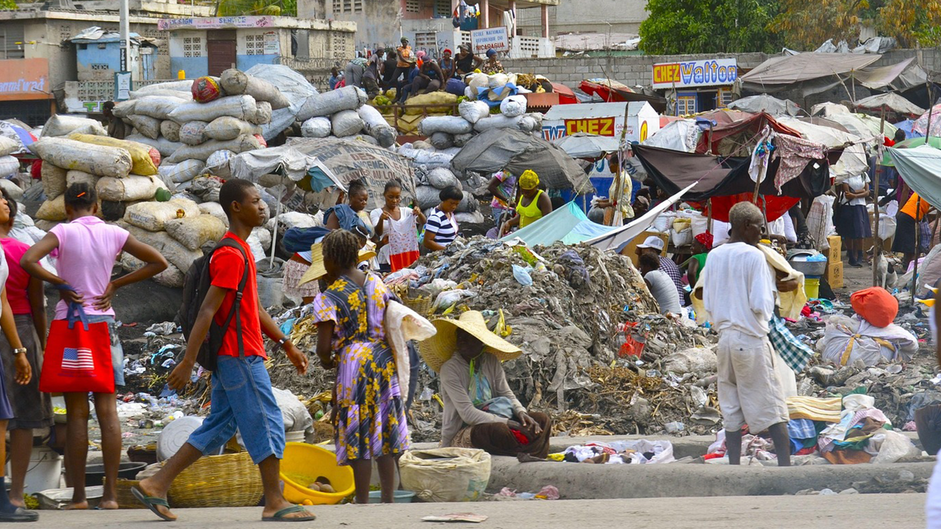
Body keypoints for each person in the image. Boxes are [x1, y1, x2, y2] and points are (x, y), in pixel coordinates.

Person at [135, 179, 311, 522]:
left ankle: (156, 484)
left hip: (239, 353)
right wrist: (188, 360)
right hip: (238, 354)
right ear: (236, 207)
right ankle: (275, 500)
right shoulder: (230, 254)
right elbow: (207, 310)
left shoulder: (243, 250)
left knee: (218, 426)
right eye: (256, 200)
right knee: (266, 419)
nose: (263, 206)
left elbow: (255, 308)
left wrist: (286, 343)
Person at [21, 183, 168, 509]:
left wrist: (59, 282)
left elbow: (29, 260)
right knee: (108, 410)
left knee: (76, 414)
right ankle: (112, 495)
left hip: (70, 326)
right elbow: (158, 262)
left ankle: (78, 497)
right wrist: (115, 283)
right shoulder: (114, 234)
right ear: (97, 206)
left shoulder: (62, 231)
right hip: (103, 326)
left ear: (68, 208)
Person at [311, 229, 408, 504]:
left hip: (353, 364)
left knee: (360, 431)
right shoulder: (377, 283)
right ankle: (389, 498)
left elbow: (323, 348)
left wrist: (328, 361)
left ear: (330, 259)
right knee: (384, 427)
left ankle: (363, 500)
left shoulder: (329, 296)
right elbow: (395, 315)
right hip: (383, 359)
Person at [700, 201, 791, 467]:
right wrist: (778, 291)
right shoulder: (754, 257)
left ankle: (734, 468)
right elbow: (761, 305)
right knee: (772, 408)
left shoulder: (715, 255)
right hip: (750, 340)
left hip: (725, 340)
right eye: (759, 226)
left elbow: (708, 303)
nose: (763, 231)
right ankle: (786, 470)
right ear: (745, 226)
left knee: (731, 408)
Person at [426, 310, 551, 458]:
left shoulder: (490, 361)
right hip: (467, 430)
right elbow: (468, 414)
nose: (462, 341)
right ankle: (525, 452)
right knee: (498, 431)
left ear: (481, 342)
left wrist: (521, 413)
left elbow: (506, 393)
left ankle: (526, 453)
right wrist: (508, 423)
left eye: (469, 337)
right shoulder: (450, 369)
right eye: (460, 337)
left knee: (542, 420)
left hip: (499, 418)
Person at [0, 190, 51, 510]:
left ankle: (12, 495)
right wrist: (39, 347)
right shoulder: (25, 253)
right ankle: (15, 494)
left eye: (4, 200)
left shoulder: (23, 252)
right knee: (23, 417)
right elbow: (38, 305)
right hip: (20, 332)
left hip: (17, 330)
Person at [371, 180, 425, 273]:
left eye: (397, 197)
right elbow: (378, 232)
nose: (394, 200)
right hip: (387, 260)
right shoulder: (376, 213)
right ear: (384, 195)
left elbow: (423, 222)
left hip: (406, 257)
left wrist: (419, 213)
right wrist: (381, 219)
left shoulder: (406, 212)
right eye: (390, 197)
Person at [635, 236, 685, 305]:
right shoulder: (668, 260)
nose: (641, 251)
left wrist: (639, 256)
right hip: (679, 301)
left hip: (668, 305)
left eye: (644, 249)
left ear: (652, 251)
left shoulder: (651, 264)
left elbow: (641, 285)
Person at [835, 172, 872, 267]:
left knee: (860, 233)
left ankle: (860, 256)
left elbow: (867, 192)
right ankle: (851, 256)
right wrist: (861, 191)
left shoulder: (864, 175)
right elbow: (847, 193)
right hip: (848, 206)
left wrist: (855, 194)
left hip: (860, 205)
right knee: (848, 233)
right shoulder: (846, 174)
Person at [500, 170, 552, 236]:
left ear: (536, 187)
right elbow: (521, 216)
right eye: (523, 191)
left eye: (528, 192)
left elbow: (548, 221)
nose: (525, 194)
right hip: (523, 236)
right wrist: (509, 222)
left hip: (536, 236)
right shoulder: (522, 196)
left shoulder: (542, 198)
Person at [892, 191, 932, 270]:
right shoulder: (927, 193)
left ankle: (909, 266)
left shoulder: (922, 191)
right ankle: (910, 267)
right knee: (911, 245)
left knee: (911, 244)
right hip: (909, 216)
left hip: (907, 215)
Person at [423, 186, 462, 252]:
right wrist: (446, 250)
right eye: (451, 203)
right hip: (439, 255)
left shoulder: (450, 213)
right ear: (443, 200)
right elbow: (427, 242)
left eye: (457, 204)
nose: (454, 207)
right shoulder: (435, 217)